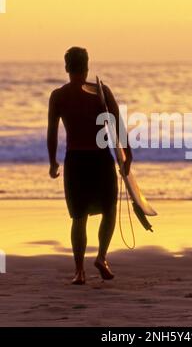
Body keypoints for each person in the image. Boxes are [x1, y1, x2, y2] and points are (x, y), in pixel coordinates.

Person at [47, 47, 132, 284]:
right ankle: (102, 257)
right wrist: (128, 156)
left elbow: (52, 132)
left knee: (78, 217)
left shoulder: (58, 96)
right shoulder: (101, 92)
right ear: (87, 66)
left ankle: (79, 271)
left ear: (66, 67)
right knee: (109, 209)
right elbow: (118, 126)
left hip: (75, 160)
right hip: (100, 159)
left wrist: (52, 161)